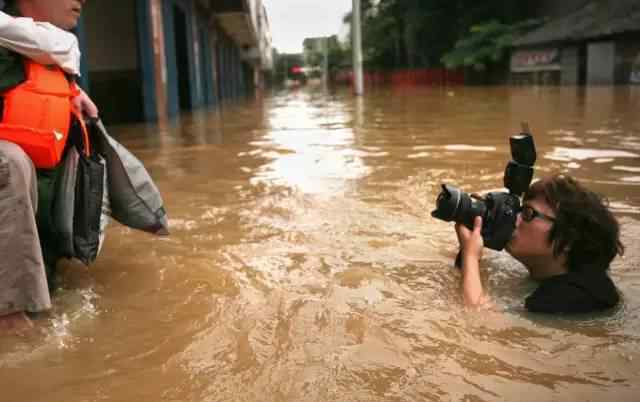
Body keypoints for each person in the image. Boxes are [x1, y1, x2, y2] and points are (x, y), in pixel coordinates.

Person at [0, 0, 96, 331]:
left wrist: (72, 91)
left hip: (44, 259)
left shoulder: (51, 58)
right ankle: (10, 318)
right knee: (8, 161)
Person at [455, 174, 624, 314]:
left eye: (528, 213)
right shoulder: (551, 273)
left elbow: (478, 319)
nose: (514, 218)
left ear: (567, 239)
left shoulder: (576, 295)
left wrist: (471, 257)